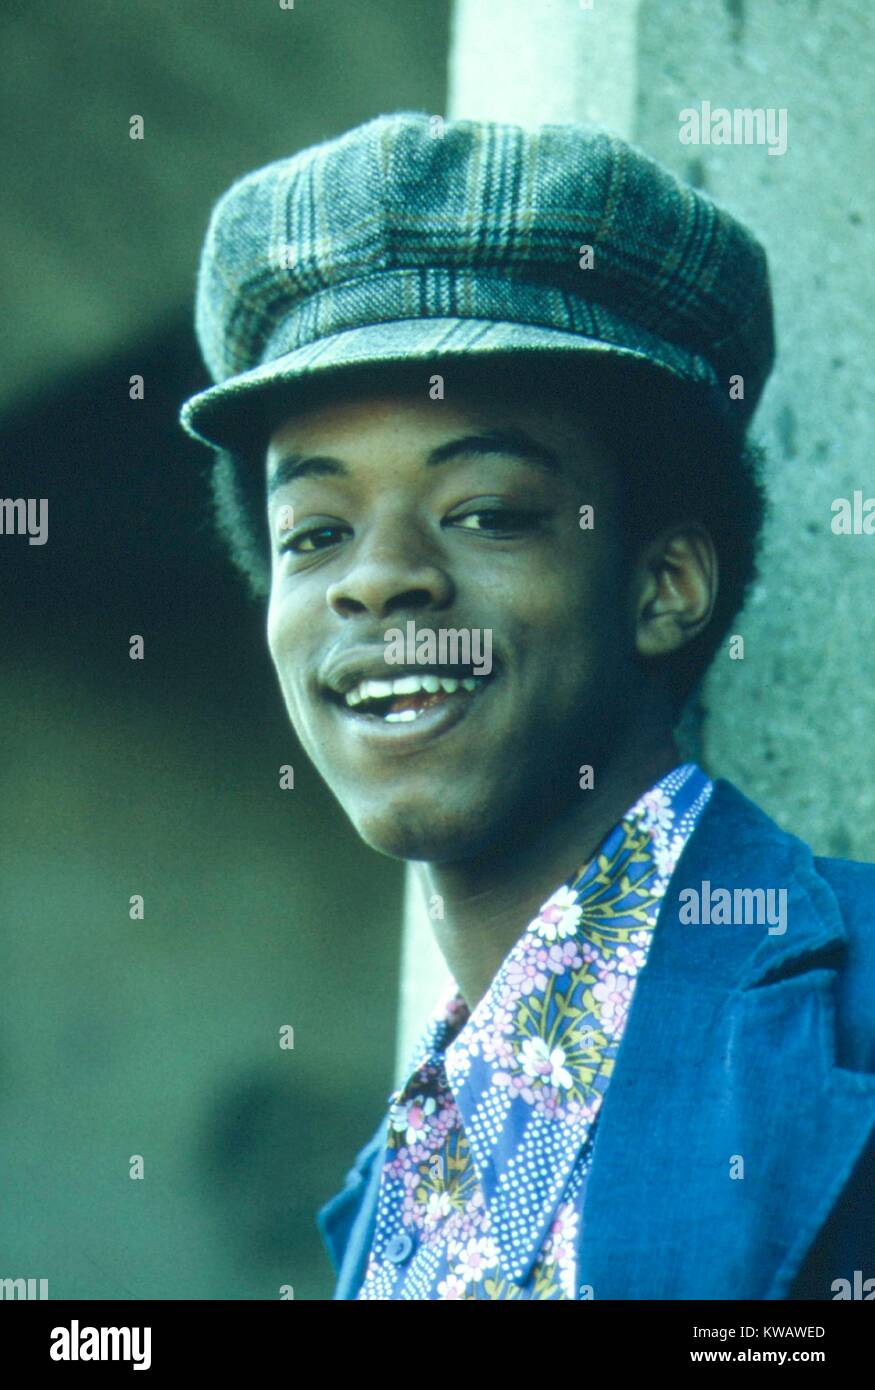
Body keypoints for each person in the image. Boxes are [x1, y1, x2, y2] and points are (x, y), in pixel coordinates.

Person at [179, 112, 875, 1301]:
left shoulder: (849, 1011)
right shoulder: (397, 1182)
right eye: (315, 533)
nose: (373, 576)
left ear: (662, 585)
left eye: (486, 511)